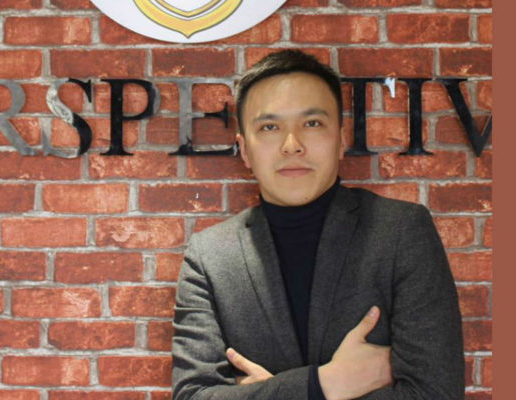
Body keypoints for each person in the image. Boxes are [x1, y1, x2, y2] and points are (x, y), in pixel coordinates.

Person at [171, 50, 464, 400]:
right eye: (269, 127)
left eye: (312, 123)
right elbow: (191, 395)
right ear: (245, 150)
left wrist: (267, 393)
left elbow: (437, 393)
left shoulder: (402, 232)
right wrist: (324, 384)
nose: (292, 145)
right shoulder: (209, 257)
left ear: (341, 139)